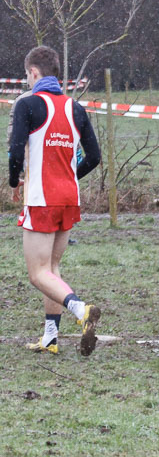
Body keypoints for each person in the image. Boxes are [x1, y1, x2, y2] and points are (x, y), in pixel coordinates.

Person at [8, 46, 102, 356]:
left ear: (33, 73)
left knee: (37, 274)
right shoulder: (75, 108)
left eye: (27, 75)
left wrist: (14, 182)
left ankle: (81, 310)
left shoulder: (27, 105)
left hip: (41, 199)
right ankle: (50, 337)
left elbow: (15, 151)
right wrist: (71, 177)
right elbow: (95, 157)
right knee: (52, 268)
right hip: (68, 198)